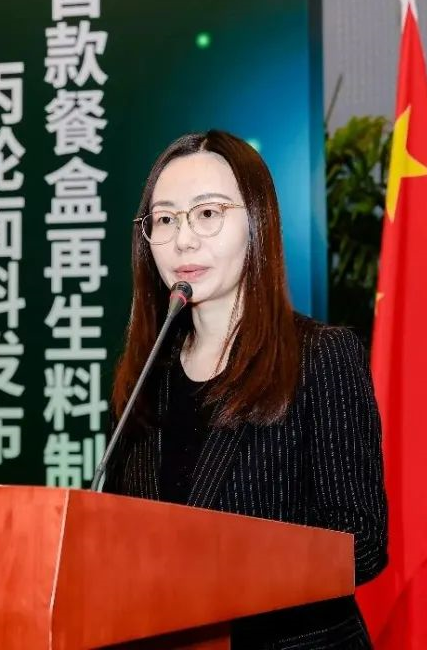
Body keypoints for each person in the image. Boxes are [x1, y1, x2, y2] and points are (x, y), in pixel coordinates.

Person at [103, 129, 389, 649]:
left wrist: (221, 572)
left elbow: (360, 543)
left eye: (207, 213)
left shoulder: (321, 357)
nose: (184, 240)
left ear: (257, 223)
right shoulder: (143, 377)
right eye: (165, 219)